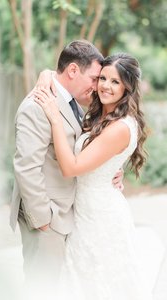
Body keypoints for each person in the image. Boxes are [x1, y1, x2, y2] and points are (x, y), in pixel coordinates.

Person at [33, 52, 153, 300]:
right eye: (103, 78)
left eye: (115, 81)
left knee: (102, 283)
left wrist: (55, 118)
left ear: (127, 87)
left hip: (102, 217)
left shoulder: (120, 127)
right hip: (83, 212)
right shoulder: (103, 115)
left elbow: (71, 168)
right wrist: (46, 75)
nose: (106, 86)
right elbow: (61, 78)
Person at [10, 40, 123, 297]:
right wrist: (42, 220)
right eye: (95, 78)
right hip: (48, 220)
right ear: (73, 71)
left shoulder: (73, 104)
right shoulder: (37, 106)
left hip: (68, 216)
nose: (97, 86)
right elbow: (26, 167)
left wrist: (109, 170)